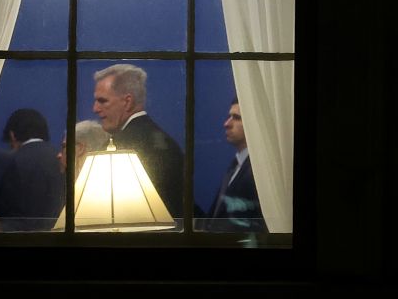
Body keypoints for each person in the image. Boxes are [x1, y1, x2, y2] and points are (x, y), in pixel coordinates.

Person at [92, 63, 185, 218]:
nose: (95, 108)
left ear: (127, 102)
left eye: (102, 101)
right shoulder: (168, 143)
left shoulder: (116, 150)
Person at [201, 97, 267, 232]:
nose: (226, 123)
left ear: (254, 122)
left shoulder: (260, 170)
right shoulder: (236, 165)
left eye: (236, 117)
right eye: (229, 116)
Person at [0, 108, 64, 231]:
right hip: (59, 235)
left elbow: (5, 208)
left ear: (12, 135)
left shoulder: (12, 161)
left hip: (19, 238)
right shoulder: (61, 158)